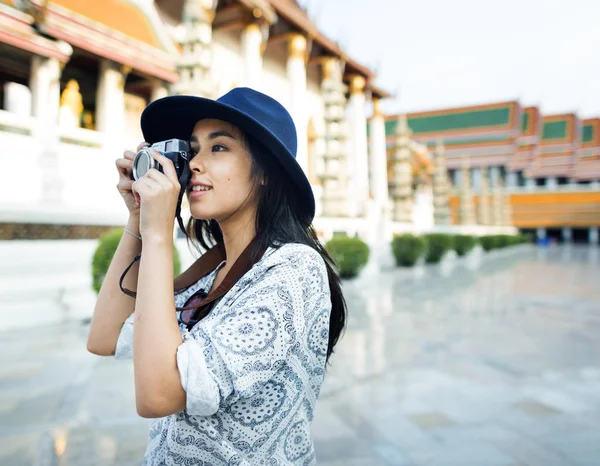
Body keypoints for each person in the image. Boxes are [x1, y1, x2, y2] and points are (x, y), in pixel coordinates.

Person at [86, 87, 347, 465]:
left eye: (218, 148)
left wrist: (160, 234)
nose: (193, 164)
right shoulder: (211, 271)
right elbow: (104, 337)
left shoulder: (294, 271)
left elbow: (159, 396)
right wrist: (138, 221)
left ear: (266, 173)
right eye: (192, 150)